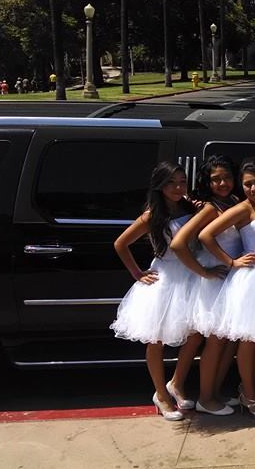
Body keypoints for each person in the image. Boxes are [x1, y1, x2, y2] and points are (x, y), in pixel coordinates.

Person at [110, 161, 206, 421]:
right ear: (160, 186)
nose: (178, 187)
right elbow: (121, 244)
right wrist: (138, 274)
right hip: (165, 278)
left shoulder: (190, 208)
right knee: (157, 340)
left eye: (182, 182)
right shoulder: (153, 215)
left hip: (191, 275)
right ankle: (160, 394)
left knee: (196, 334)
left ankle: (177, 383)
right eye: (171, 182)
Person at [200, 157, 255, 419]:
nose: (253, 189)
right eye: (247, 184)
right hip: (253, 276)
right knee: (248, 339)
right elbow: (205, 236)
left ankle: (244, 388)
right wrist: (231, 261)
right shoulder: (243, 208)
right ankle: (250, 393)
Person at [169, 155, 243, 416]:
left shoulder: (232, 202)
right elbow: (178, 244)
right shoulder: (211, 208)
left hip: (228, 279)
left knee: (218, 339)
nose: (223, 183)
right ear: (207, 182)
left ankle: (210, 391)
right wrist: (204, 271)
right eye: (215, 179)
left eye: (227, 177)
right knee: (214, 340)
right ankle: (206, 397)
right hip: (215, 279)